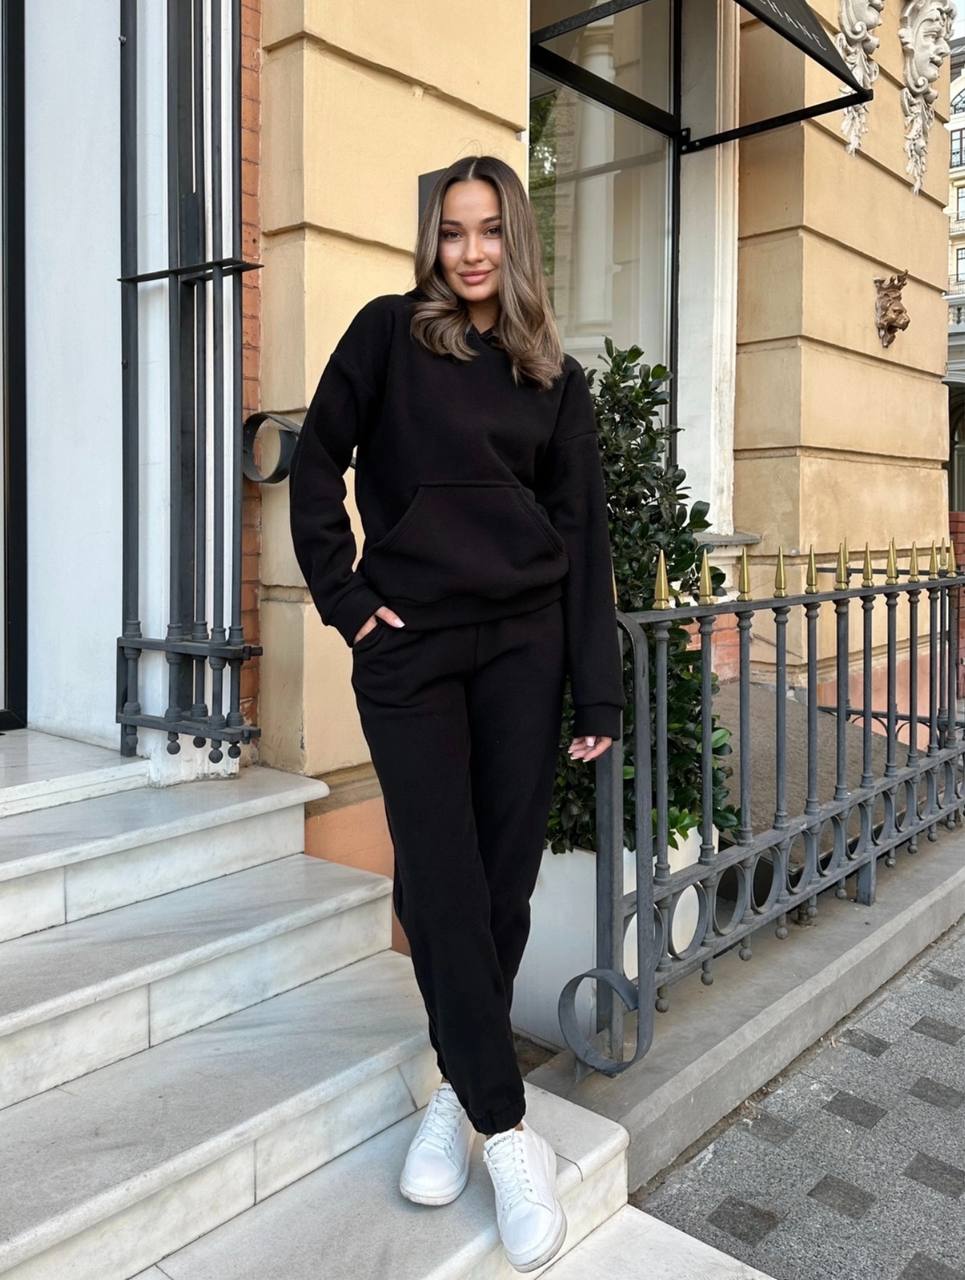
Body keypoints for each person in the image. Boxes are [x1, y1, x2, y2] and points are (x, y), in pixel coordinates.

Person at [288, 153, 624, 1274]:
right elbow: (314, 460)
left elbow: (582, 537)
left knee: (495, 880)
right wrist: (346, 596)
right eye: (451, 232)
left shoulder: (551, 376)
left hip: (525, 648)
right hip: (413, 648)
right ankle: (509, 1127)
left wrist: (595, 684)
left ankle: (454, 1092)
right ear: (430, 240)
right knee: (435, 875)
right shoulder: (388, 333)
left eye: (488, 232)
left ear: (513, 241)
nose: (470, 252)